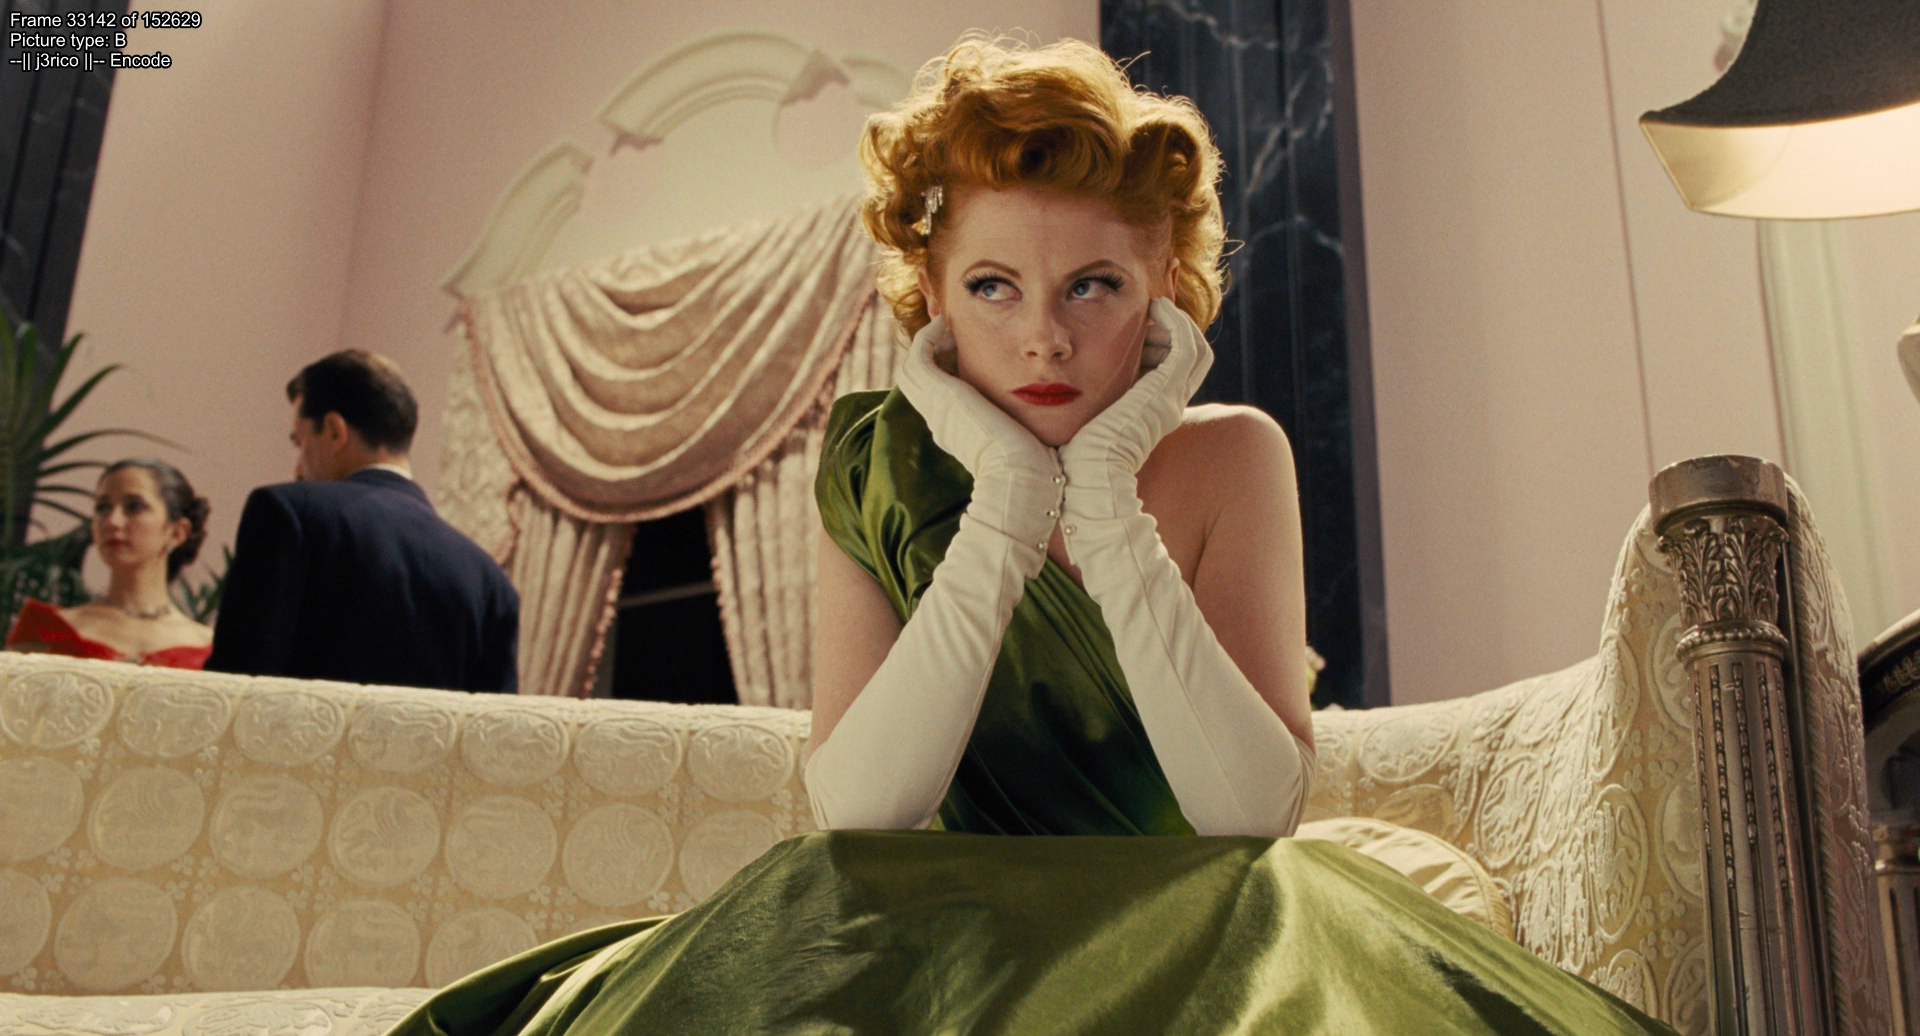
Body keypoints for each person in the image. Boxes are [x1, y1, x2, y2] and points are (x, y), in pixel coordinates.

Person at [390, 38, 1676, 1035]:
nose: (1044, 337)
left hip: (1199, 929)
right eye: (993, 287)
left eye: (1093, 286)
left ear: (1163, 291)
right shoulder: (873, 465)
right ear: (932, 300)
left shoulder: (1233, 454)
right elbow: (861, 809)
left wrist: (1104, 496)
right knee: (798, 896)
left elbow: (1250, 814)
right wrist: (1005, 502)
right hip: (934, 939)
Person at [204, 349, 519, 692]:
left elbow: (235, 684)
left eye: (300, 442)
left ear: (334, 431)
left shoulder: (288, 513)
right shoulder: (490, 582)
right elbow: (490, 721)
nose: (298, 469)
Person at [7, 459, 214, 669]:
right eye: (103, 508)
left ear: (177, 532)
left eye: (134, 507)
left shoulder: (207, 648)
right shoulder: (47, 630)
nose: (112, 521)